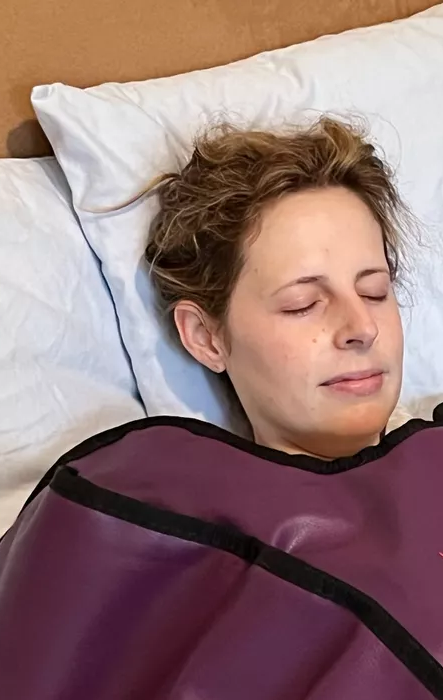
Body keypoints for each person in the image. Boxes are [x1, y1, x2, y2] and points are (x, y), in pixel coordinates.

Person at [143, 116, 410, 460]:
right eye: (303, 304)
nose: (364, 328)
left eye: (375, 291)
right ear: (206, 337)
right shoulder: (165, 510)